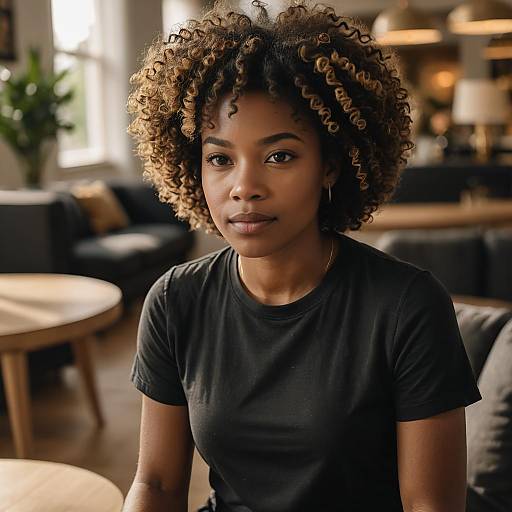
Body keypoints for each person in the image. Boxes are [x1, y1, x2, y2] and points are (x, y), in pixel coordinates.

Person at [123, 1, 482, 511]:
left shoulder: (407, 305)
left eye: (280, 156)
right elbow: (155, 484)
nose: (244, 188)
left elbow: (431, 507)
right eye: (220, 159)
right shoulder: (175, 300)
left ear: (331, 166)